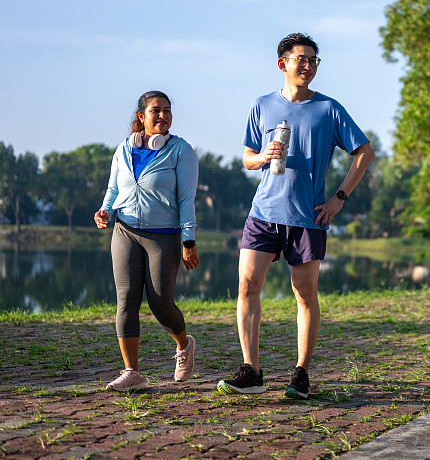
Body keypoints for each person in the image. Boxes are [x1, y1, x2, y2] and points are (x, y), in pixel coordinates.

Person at [217, 33, 374, 399]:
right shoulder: (262, 105)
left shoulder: (329, 109)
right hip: (263, 212)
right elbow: (247, 159)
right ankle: (251, 372)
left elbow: (364, 151)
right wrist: (264, 157)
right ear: (282, 64)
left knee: (304, 295)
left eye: (313, 60)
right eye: (300, 59)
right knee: (246, 287)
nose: (307, 65)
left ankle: (301, 374)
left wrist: (339, 197)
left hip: (307, 217)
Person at [94, 90, 201, 392]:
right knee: (126, 299)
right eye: (157, 110)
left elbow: (186, 198)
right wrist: (105, 210)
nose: (164, 115)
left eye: (168, 110)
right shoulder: (123, 150)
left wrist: (189, 239)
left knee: (160, 303)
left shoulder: (181, 151)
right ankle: (132, 372)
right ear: (141, 116)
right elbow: (113, 188)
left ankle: (183, 346)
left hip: (164, 235)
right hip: (125, 230)